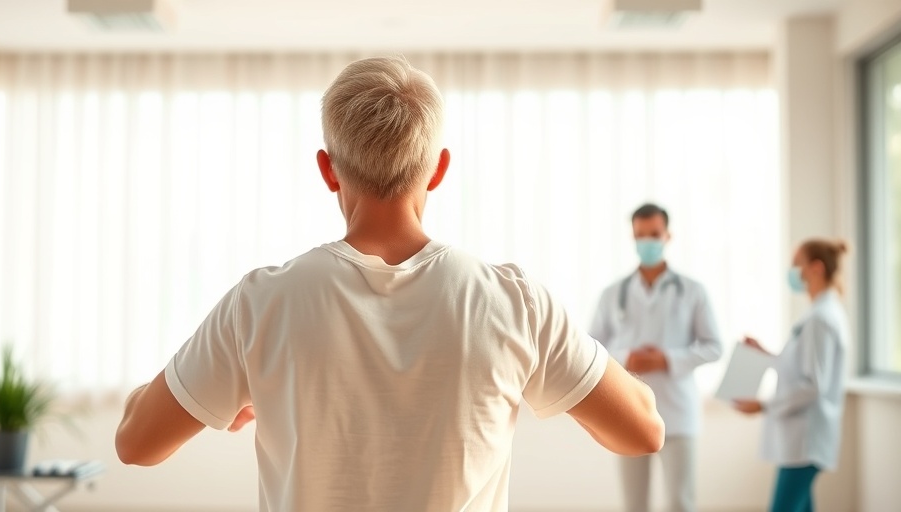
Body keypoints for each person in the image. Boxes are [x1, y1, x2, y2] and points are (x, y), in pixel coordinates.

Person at [114, 56, 665, 511]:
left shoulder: (262, 302)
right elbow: (643, 430)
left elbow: (136, 442)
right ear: (439, 169)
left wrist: (241, 382)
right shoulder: (514, 301)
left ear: (328, 169)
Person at [589, 203, 723, 512]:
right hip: (627, 410)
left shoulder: (693, 291)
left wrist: (666, 360)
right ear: (632, 237)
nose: (647, 241)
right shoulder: (612, 294)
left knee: (680, 502)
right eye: (640, 235)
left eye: (654, 234)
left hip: (678, 412)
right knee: (634, 504)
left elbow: (714, 346)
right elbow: (590, 348)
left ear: (668, 236)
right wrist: (626, 358)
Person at [733, 239, 850, 512]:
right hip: (801, 440)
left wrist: (763, 405)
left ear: (816, 268)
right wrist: (766, 354)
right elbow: (801, 367)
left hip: (805, 439)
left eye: (796, 264)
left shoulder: (821, 318)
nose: (791, 271)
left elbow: (811, 385)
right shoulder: (819, 314)